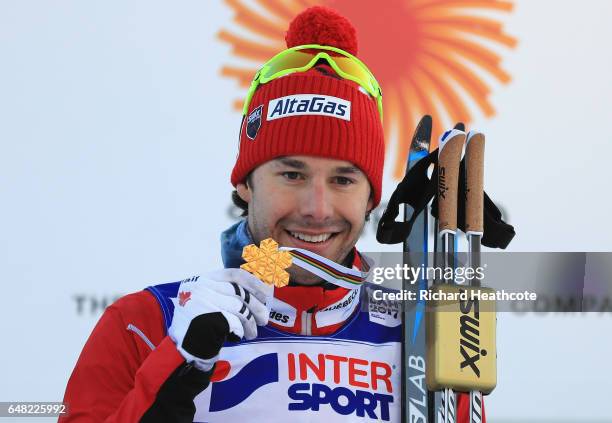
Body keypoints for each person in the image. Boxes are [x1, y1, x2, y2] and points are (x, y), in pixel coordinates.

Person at [61, 6, 482, 422]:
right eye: (292, 174)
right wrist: (173, 369)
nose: (317, 210)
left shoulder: (425, 340)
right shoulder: (146, 323)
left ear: (372, 198)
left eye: (343, 180)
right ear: (245, 183)